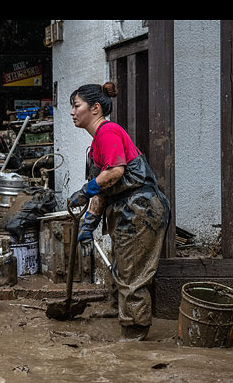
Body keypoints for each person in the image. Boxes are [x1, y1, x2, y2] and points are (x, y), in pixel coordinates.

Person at [68, 82, 170, 341]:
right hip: (128, 211)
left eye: (76, 105)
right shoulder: (96, 143)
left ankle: (134, 335)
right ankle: (118, 310)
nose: (72, 111)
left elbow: (115, 173)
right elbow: (104, 187)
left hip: (140, 211)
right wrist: (89, 222)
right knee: (122, 265)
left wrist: (85, 189)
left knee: (132, 274)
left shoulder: (108, 132)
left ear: (95, 108)